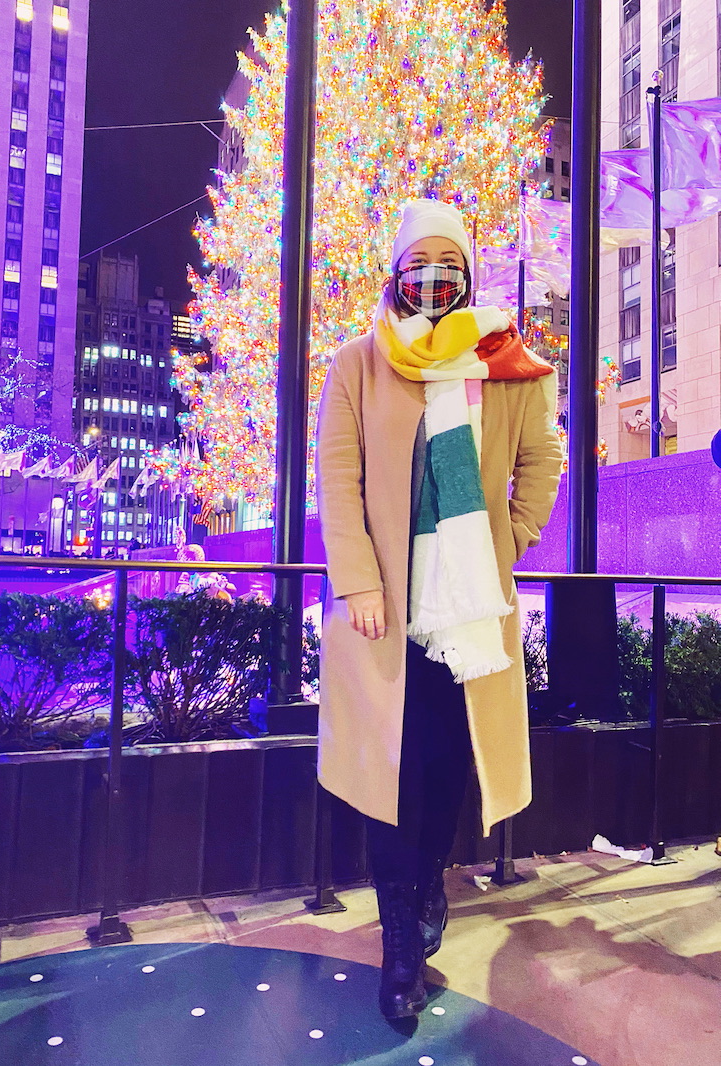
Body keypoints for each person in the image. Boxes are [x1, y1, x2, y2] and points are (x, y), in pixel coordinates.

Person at [315, 199, 563, 1020]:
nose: (434, 278)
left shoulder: (509, 367)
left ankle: (427, 886)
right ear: (396, 272)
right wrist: (358, 585)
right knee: (393, 776)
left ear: (468, 275)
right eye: (419, 263)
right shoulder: (357, 364)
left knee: (450, 767)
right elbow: (339, 485)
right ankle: (396, 947)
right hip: (386, 619)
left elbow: (542, 465)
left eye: (448, 264)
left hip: (469, 615)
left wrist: (506, 545)